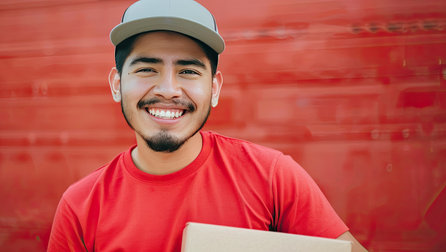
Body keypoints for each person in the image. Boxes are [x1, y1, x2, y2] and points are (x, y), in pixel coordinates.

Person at [48, 0, 368, 251]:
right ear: (117, 83)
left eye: (188, 71)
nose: (169, 89)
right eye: (147, 68)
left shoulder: (273, 178)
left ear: (214, 89)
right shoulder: (81, 205)